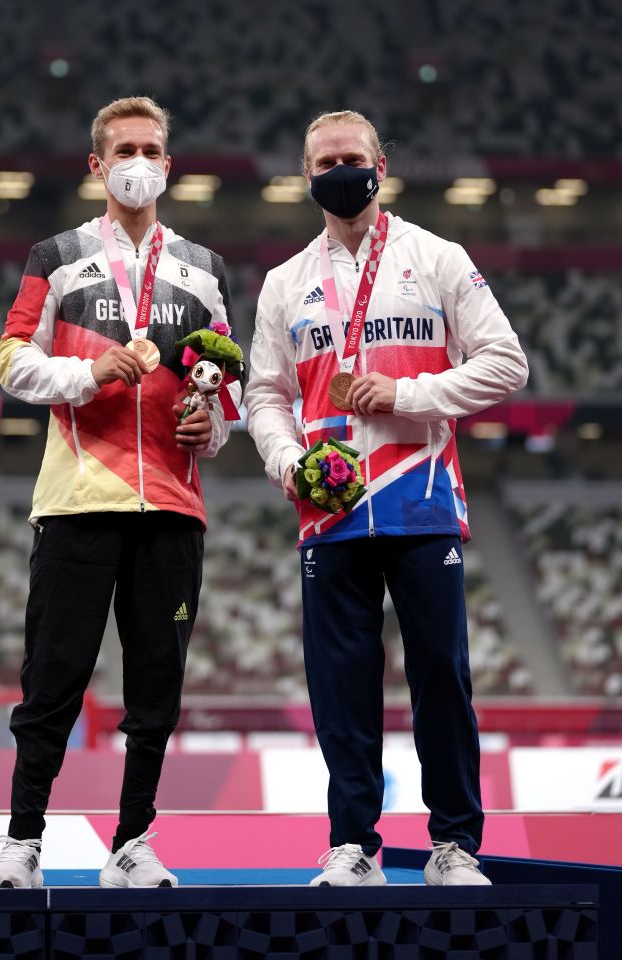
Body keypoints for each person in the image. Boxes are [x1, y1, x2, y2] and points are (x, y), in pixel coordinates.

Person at [245, 110, 528, 887]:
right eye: (324, 161)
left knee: (440, 673)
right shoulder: (284, 283)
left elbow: (506, 364)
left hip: (419, 498)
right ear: (306, 177)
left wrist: (407, 393)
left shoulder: (436, 257)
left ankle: (454, 846)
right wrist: (286, 461)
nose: (340, 170)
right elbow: (263, 395)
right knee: (340, 685)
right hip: (327, 508)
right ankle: (352, 844)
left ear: (379, 164)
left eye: (352, 157)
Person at [0, 96, 243, 889]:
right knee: (53, 678)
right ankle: (23, 841)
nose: (139, 161)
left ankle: (132, 842)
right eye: (123, 148)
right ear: (97, 165)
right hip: (77, 499)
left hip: (171, 504)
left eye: (152, 148)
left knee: (155, 688)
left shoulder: (204, 269)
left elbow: (226, 387)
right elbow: (10, 361)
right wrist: (89, 371)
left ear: (169, 164)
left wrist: (216, 427)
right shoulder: (54, 256)